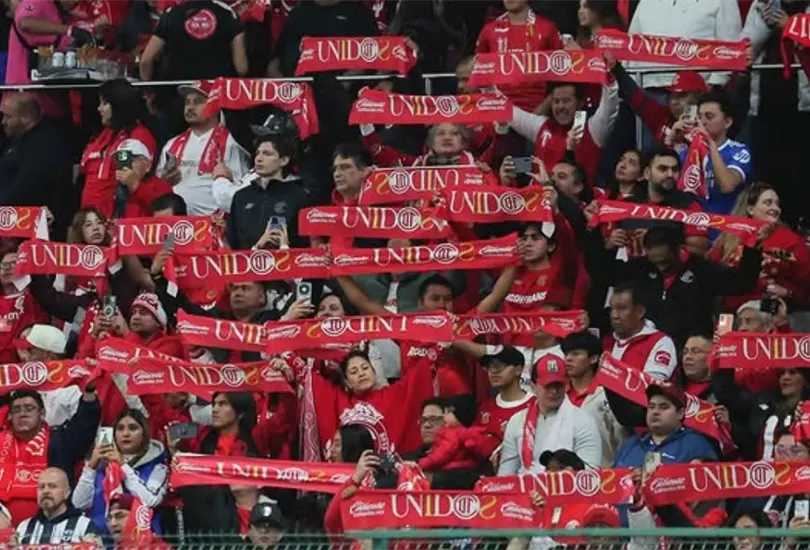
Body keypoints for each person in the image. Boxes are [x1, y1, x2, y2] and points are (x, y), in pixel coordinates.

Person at [1, 386, 100, 525]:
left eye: (29, 408)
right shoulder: (2, 441)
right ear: (10, 416)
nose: (22, 414)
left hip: (52, 526)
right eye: (16, 410)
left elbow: (85, 426)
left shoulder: (59, 441)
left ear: (42, 413)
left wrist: (89, 392)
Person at [709, 183, 810, 311]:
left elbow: (806, 284)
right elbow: (712, 276)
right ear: (750, 209)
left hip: (773, 311)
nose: (776, 208)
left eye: (777, 204)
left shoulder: (792, 240)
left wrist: (789, 292)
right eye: (768, 203)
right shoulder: (729, 238)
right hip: (731, 311)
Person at [157, 81, 251, 215]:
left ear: (215, 105)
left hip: (213, 225)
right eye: (187, 102)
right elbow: (158, 193)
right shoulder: (171, 145)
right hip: (177, 226)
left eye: (198, 101)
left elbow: (241, 187)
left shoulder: (230, 141)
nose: (190, 107)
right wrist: (164, 182)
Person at [498, 355, 602, 474]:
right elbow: (506, 473)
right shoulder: (517, 421)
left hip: (569, 489)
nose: (554, 392)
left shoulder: (584, 420)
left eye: (559, 385)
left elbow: (591, 473)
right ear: (533, 386)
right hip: (526, 488)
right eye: (548, 386)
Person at [72, 409, 168, 536]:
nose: (126, 434)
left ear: (144, 433)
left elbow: (150, 501)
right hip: (100, 539)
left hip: (140, 540)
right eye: (120, 429)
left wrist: (123, 466)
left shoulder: (158, 468)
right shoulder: (100, 466)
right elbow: (79, 503)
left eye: (133, 428)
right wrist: (91, 467)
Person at [80, 79, 156, 219]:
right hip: (90, 221)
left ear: (119, 104)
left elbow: (131, 187)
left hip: (116, 222)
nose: (99, 109)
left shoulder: (138, 137)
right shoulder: (103, 136)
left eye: (104, 103)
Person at [0, 93, 73, 237]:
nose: (3, 122)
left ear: (26, 118)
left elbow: (25, 187)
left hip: (33, 227)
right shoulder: (18, 139)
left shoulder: (44, 144)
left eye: (8, 117)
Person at [627, 0, 742, 88]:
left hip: (695, 93)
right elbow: (632, 42)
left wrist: (715, 85)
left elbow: (730, 48)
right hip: (647, 87)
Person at [222, 134, 309, 249]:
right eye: (257, 153)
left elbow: (308, 244)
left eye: (267, 154)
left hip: (285, 263)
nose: (259, 158)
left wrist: (285, 247)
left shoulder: (299, 196)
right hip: (245, 264)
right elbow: (231, 244)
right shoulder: (240, 196)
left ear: (284, 160)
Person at [474, 0, 563, 112]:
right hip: (497, 109)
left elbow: (563, 77)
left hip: (536, 110)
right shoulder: (489, 30)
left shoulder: (547, 29)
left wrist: (544, 107)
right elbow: (477, 74)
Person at [677, 90, 753, 215]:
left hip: (726, 228)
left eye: (709, 116)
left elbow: (727, 185)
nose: (702, 122)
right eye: (699, 116)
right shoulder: (688, 151)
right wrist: (671, 140)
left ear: (727, 122)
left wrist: (711, 145)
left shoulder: (739, 151)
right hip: (692, 228)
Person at [139, 0, 248, 81]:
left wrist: (148, 90)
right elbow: (241, 67)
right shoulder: (228, 14)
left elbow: (145, 61)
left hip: (176, 95)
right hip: (216, 95)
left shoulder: (171, 15)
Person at [563, 330, 627, 466]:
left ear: (594, 358)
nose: (568, 358)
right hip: (562, 479)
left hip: (603, 477)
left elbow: (622, 441)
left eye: (576, 354)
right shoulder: (557, 395)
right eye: (566, 354)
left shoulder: (609, 395)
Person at [603, 282, 678, 378]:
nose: (614, 315)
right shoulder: (607, 341)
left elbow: (653, 386)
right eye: (612, 308)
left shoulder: (660, 342)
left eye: (621, 308)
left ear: (640, 312)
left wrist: (611, 372)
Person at [15, 468, 99, 544]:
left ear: (67, 492)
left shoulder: (84, 526)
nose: (46, 491)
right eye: (41, 487)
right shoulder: (24, 527)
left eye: (52, 486)